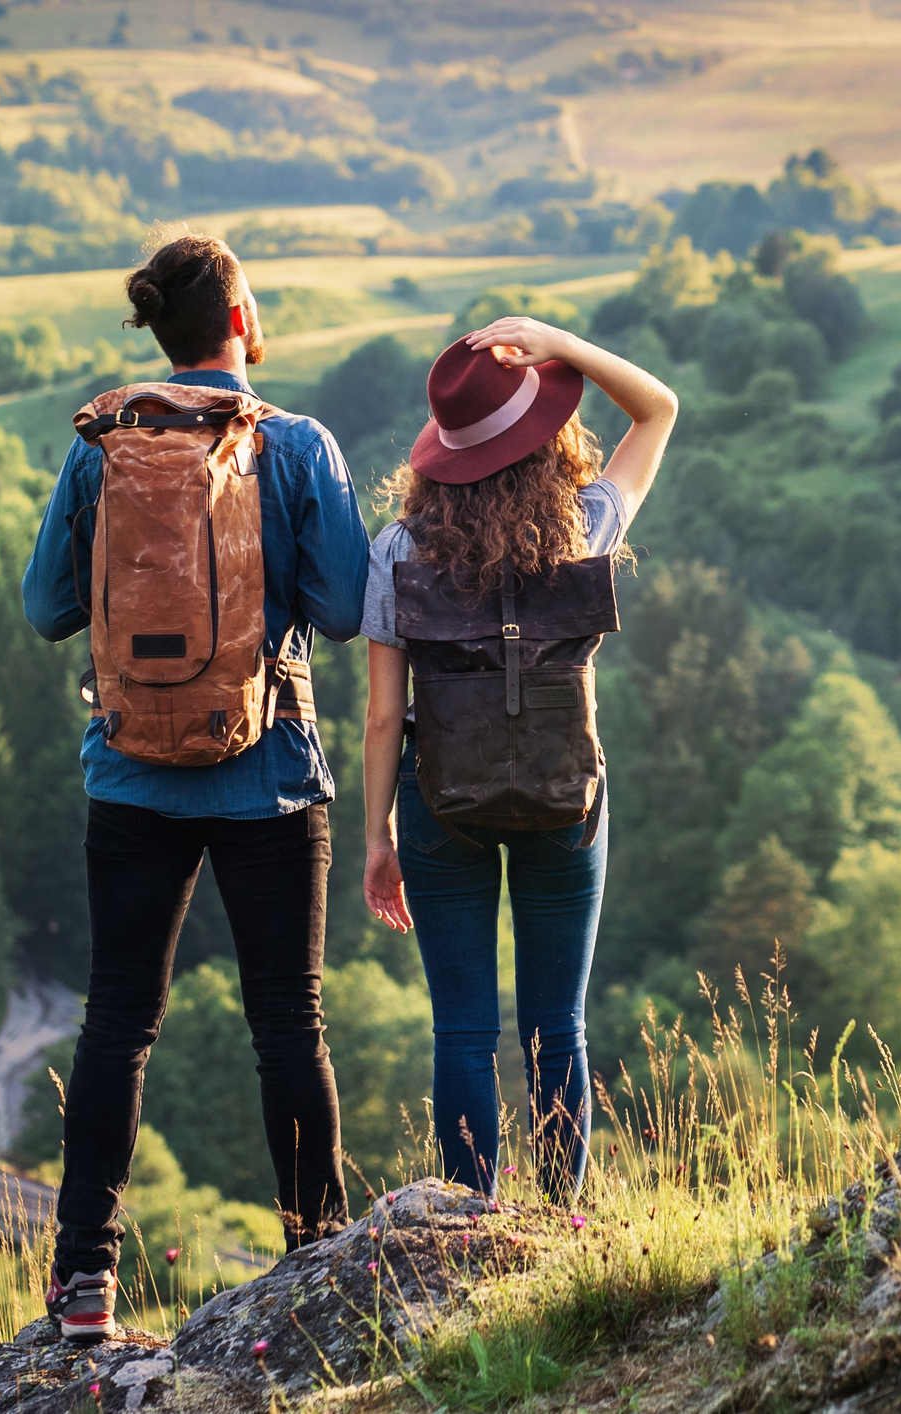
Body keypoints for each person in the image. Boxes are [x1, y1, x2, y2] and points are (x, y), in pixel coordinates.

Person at [20, 233, 369, 1342]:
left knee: (117, 1021)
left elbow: (45, 610)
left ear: (159, 331)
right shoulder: (297, 445)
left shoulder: (100, 449)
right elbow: (351, 606)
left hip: (130, 772)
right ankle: (315, 1256)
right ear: (243, 319)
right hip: (267, 771)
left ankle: (84, 1284)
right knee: (288, 1022)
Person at [360, 317, 677, 1200]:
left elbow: (385, 718)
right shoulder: (586, 525)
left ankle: (468, 1224)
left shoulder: (399, 550)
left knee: (462, 1032)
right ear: (545, 441)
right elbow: (658, 410)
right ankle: (563, 1218)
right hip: (564, 798)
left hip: (439, 801)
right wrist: (562, 345)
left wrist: (377, 838)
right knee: (557, 1026)